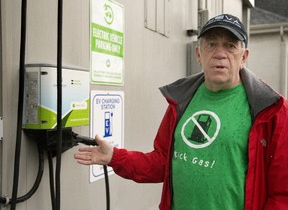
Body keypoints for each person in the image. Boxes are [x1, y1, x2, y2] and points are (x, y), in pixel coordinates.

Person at [74, 14, 288, 209]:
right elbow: (162, 162)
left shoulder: (271, 110)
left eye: (230, 46)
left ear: (244, 57)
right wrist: (114, 157)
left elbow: (282, 193)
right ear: (198, 54)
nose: (220, 54)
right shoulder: (182, 101)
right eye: (211, 45)